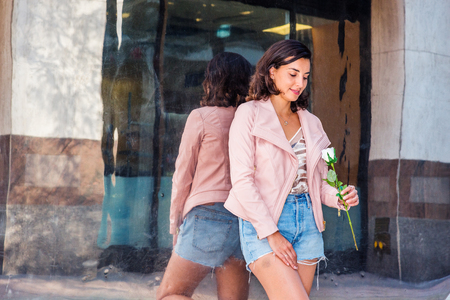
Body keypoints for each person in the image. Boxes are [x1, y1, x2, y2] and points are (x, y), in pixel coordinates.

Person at [224, 40, 360, 300]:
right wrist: (271, 234)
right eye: (293, 74)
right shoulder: (248, 114)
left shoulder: (312, 122)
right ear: (272, 71)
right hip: (265, 221)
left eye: (305, 77)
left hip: (308, 222)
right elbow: (242, 182)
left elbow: (319, 182)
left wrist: (340, 197)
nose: (299, 83)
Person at [157, 52, 252, 300]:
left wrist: (175, 224)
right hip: (245, 218)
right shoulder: (254, 122)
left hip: (208, 216)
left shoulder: (200, 117)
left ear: (212, 80)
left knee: (171, 294)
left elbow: (183, 176)